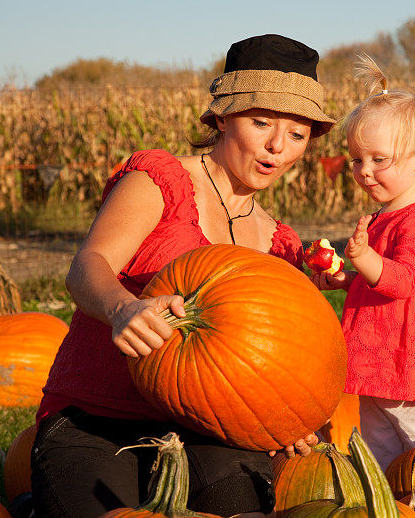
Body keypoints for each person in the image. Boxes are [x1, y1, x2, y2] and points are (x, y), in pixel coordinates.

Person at [30, 34, 336, 518]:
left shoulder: (280, 245)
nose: (277, 146)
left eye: (297, 135)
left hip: (209, 428)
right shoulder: (162, 180)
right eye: (261, 123)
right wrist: (121, 308)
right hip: (97, 415)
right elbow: (87, 266)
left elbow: (278, 360)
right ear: (221, 119)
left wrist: (291, 416)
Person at [310, 55, 415, 470]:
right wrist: (343, 278)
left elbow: (404, 281)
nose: (364, 171)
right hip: (379, 367)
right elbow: (377, 282)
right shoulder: (385, 217)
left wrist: (363, 257)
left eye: (379, 160)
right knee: (381, 461)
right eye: (357, 160)